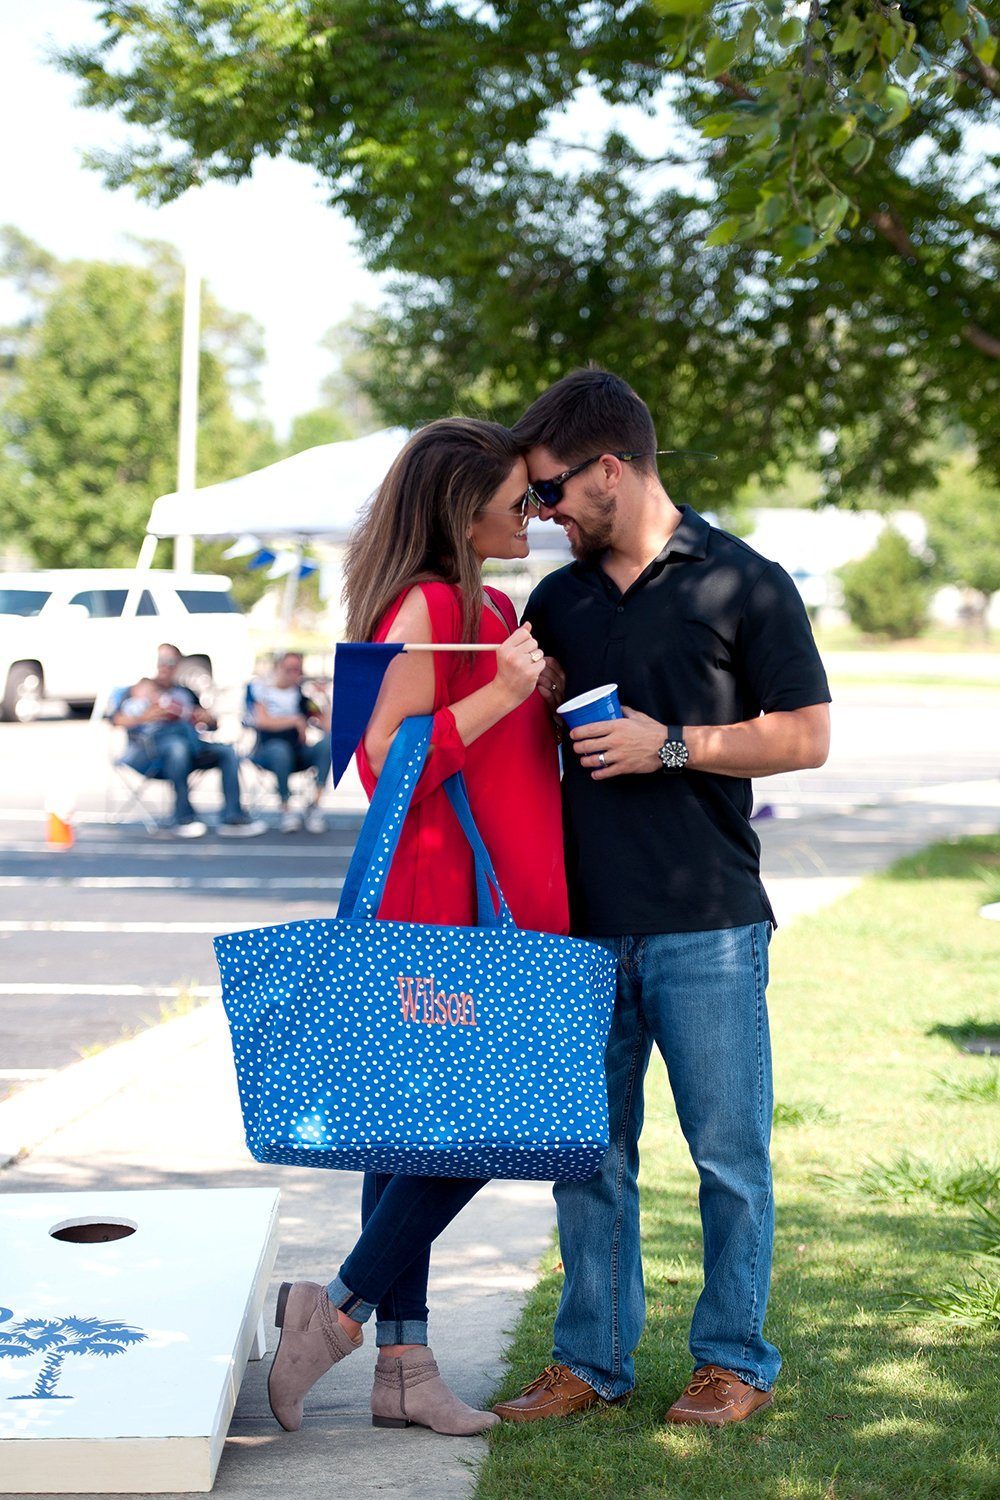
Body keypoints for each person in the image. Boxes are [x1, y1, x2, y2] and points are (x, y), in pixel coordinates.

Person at [492, 368, 831, 1429]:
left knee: (728, 1157)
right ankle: (587, 1361)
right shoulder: (560, 600)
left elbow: (807, 736)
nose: (540, 514)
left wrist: (670, 745)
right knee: (587, 1161)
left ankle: (733, 1360)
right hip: (583, 927)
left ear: (608, 470)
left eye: (549, 492)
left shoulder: (745, 580)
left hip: (709, 921)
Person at [266, 418, 568, 1438]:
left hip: (487, 904)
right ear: (461, 508)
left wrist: (534, 696)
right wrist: (503, 693)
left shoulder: (484, 605)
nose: (534, 514)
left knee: (409, 1134)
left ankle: (406, 1370)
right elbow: (384, 758)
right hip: (436, 900)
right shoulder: (429, 603)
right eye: (519, 499)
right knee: (482, 1123)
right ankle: (342, 1310)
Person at [113, 644, 266, 839]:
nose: (165, 667)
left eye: (171, 662)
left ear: (178, 665)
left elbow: (212, 724)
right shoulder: (139, 689)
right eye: (162, 661)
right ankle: (183, 817)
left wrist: (205, 717)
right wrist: (145, 716)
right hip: (149, 751)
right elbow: (115, 720)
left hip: (189, 745)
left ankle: (233, 816)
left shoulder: (185, 692)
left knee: (226, 751)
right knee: (177, 747)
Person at [247, 651, 332, 833]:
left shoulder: (302, 697)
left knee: (328, 744)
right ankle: (286, 809)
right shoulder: (262, 692)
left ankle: (315, 806)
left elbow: (327, 726)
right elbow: (261, 720)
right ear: (278, 668)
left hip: (298, 751)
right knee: (279, 750)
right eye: (288, 669)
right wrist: (294, 721)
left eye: (297, 670)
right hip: (268, 750)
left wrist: (323, 698)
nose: (293, 674)